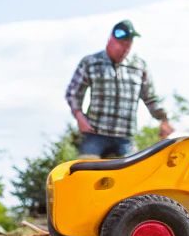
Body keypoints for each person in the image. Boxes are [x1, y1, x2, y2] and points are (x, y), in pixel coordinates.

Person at [65, 20, 173, 158]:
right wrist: (79, 116)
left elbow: (151, 98)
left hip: (125, 139)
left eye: (128, 46)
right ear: (110, 40)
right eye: (121, 44)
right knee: (86, 170)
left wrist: (164, 120)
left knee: (133, 173)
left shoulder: (139, 66)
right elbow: (73, 93)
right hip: (95, 134)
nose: (125, 49)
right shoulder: (91, 62)